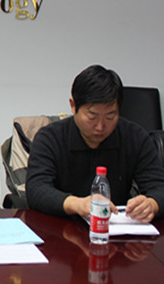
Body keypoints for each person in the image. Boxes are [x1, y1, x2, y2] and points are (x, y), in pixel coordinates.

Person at [27, 64, 164, 222]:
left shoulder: (135, 137)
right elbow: (36, 189)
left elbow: (159, 187)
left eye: (110, 117)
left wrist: (152, 204)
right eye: (92, 117)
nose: (100, 127)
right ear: (73, 106)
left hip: (114, 227)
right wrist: (77, 204)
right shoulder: (50, 138)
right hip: (61, 227)